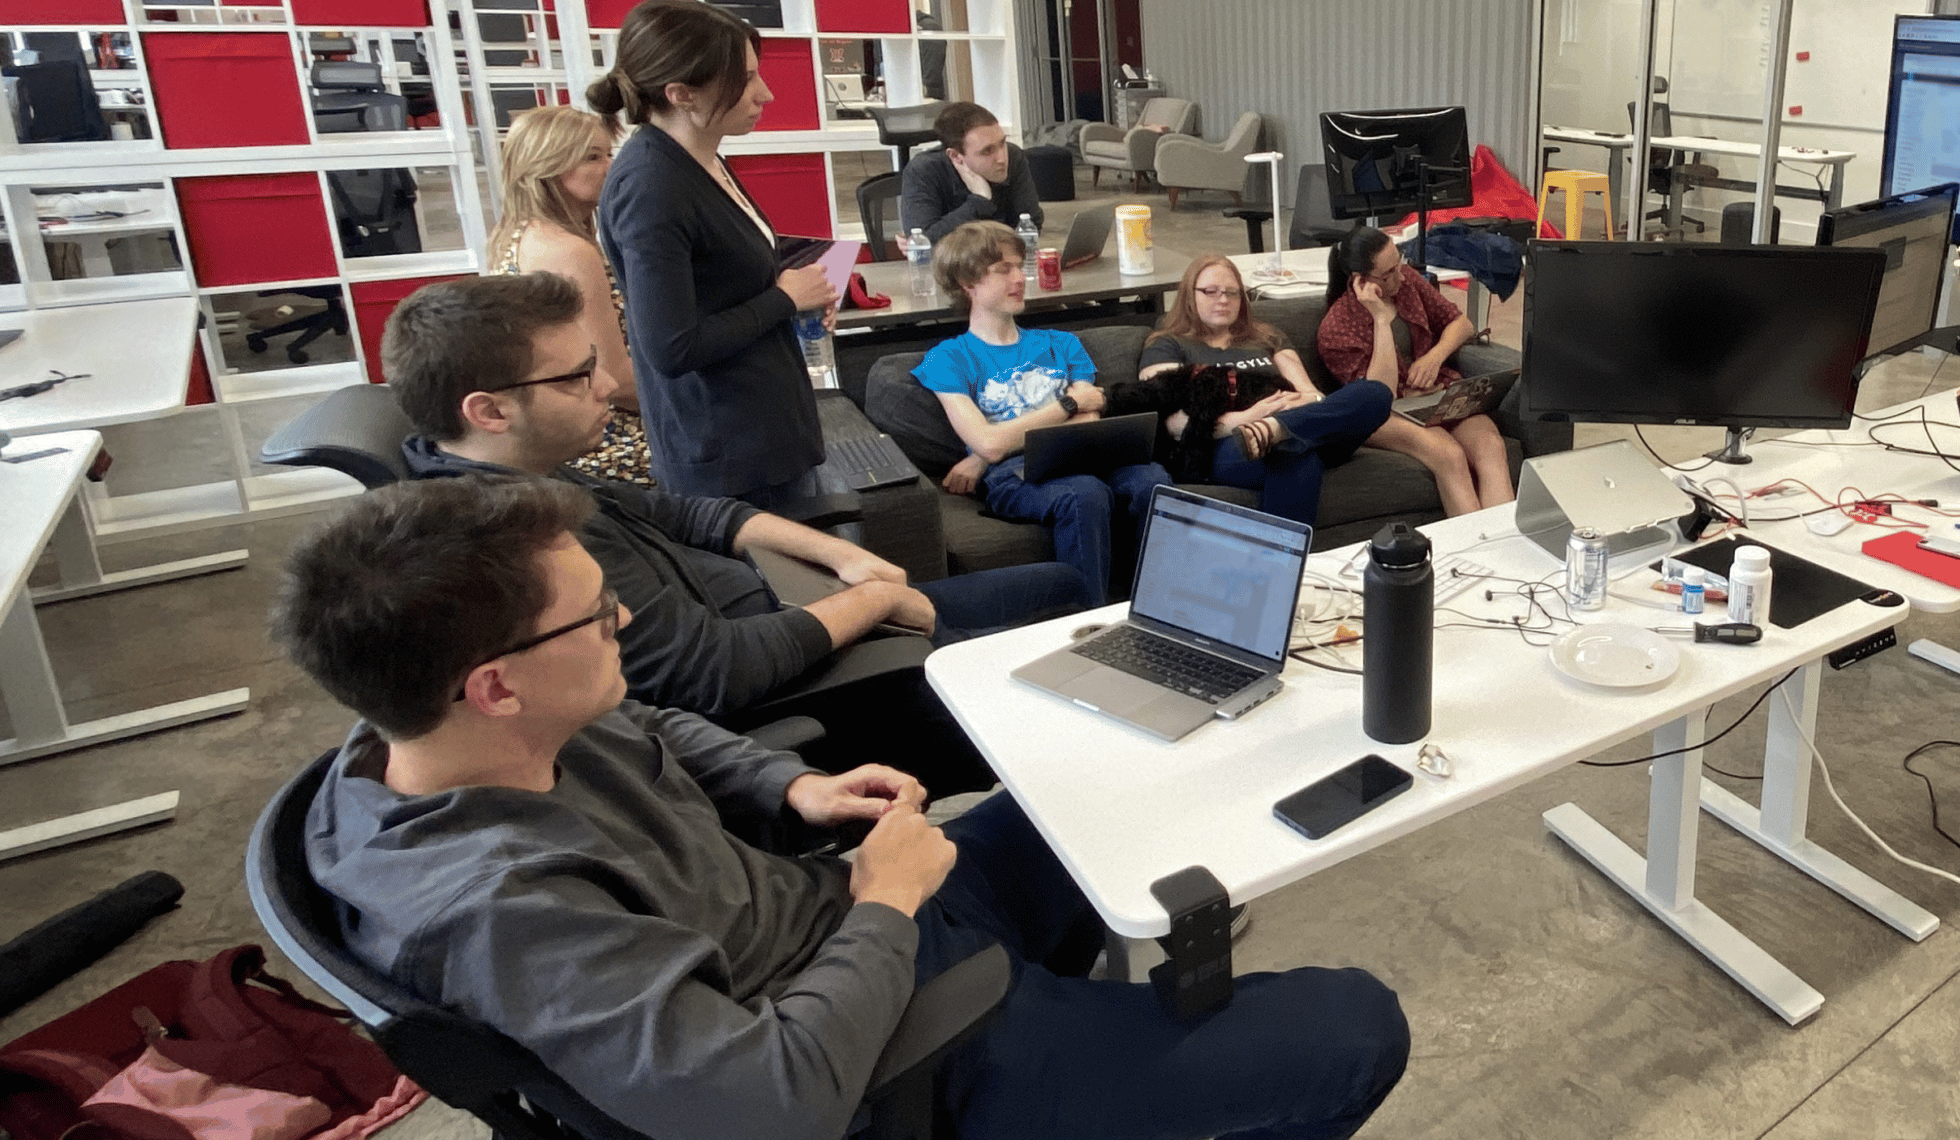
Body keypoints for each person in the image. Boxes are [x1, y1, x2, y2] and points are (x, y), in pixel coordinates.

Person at [279, 476, 1410, 1140]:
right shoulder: (498, 909)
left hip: (844, 913)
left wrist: (792, 784)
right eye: (593, 616)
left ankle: (1087, 1031)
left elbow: (658, 729)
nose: (623, 618)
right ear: (496, 681)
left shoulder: (434, 735)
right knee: (1355, 1026)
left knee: (1098, 786)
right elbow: (772, 1105)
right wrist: (885, 903)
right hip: (877, 1049)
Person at [383, 273, 1082, 785]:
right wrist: (874, 601)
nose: (604, 389)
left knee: (1063, 584)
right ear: (489, 411)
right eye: (574, 378)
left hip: (803, 614)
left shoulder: (524, 469)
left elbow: (693, 512)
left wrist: (842, 557)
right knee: (1076, 691)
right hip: (815, 683)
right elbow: (715, 672)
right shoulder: (529, 541)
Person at [592, 0, 836, 504]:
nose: (765, 94)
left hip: (763, 432)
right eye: (745, 80)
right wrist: (785, 299)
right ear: (680, 93)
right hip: (729, 455)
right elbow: (671, 347)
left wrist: (803, 288)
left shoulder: (699, 157)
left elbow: (727, 261)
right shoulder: (653, 185)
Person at [916, 221, 1166, 604]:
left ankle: (1161, 606)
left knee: (1151, 479)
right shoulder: (949, 358)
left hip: (1085, 454)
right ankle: (1088, 622)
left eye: (1020, 266)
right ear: (968, 283)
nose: (1020, 278)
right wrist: (1066, 405)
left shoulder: (1061, 343)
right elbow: (989, 442)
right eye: (1003, 270)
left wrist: (1002, 445)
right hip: (1013, 476)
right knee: (1084, 494)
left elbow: (1090, 415)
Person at [1138, 252, 1390, 530]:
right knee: (1294, 452)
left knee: (1376, 393)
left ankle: (1277, 430)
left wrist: (1286, 417)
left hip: (1297, 426)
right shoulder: (1167, 344)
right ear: (1189, 294)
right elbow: (1174, 424)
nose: (1223, 300)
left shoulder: (1266, 337)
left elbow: (1311, 395)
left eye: (1232, 293)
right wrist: (1250, 418)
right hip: (1221, 446)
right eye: (1210, 291)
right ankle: (1285, 564)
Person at [486, 104, 652, 486]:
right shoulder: (568, 251)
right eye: (593, 157)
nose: (611, 166)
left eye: (609, 153)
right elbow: (618, 382)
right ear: (546, 167)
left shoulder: (516, 233)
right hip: (609, 443)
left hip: (566, 428)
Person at [1316, 226, 1513, 517]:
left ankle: (1504, 544)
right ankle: (1474, 549)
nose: (1401, 275)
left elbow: (1462, 324)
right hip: (1382, 415)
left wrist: (1435, 356)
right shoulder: (1336, 329)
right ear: (1360, 280)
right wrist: (1381, 320)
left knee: (1490, 444)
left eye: (1400, 263)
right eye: (1389, 273)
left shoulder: (1407, 281)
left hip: (1434, 396)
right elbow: (1374, 397)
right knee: (1449, 455)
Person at [900, 101, 1042, 245]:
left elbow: (1030, 227)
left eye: (1002, 143)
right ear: (955, 156)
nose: (1002, 158)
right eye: (987, 151)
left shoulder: (1014, 157)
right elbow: (922, 242)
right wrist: (979, 202)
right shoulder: (924, 170)